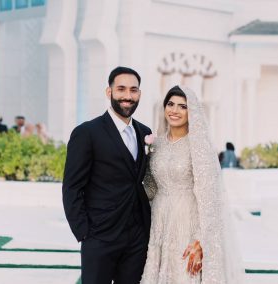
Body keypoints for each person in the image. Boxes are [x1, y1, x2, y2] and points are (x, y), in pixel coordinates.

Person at [141, 86, 244, 284]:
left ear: (192, 112)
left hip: (187, 222)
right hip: (158, 221)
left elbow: (210, 196)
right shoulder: (156, 145)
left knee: (183, 273)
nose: (175, 110)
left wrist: (201, 239)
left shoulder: (199, 146)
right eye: (170, 104)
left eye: (182, 106)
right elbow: (151, 188)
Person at [62, 67, 152, 284]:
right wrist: (83, 232)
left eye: (133, 90)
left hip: (137, 237)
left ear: (139, 94)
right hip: (99, 236)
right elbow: (72, 186)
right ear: (109, 91)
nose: (127, 96)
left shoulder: (145, 133)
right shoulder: (87, 132)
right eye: (121, 89)